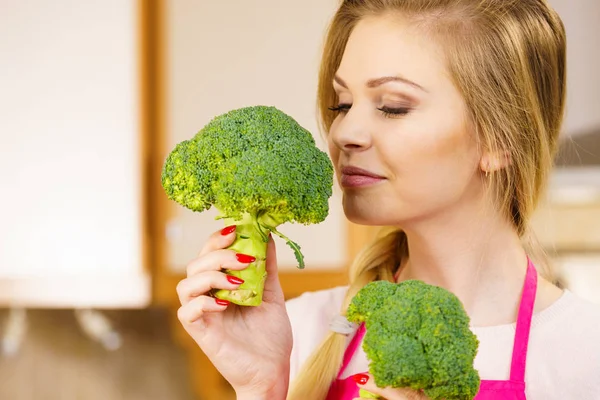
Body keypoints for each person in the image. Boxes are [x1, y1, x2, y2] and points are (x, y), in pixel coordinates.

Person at [174, 0, 600, 399]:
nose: (343, 133)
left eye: (394, 107)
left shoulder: (585, 356)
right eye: (341, 104)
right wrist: (262, 388)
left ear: (500, 139)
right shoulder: (298, 331)